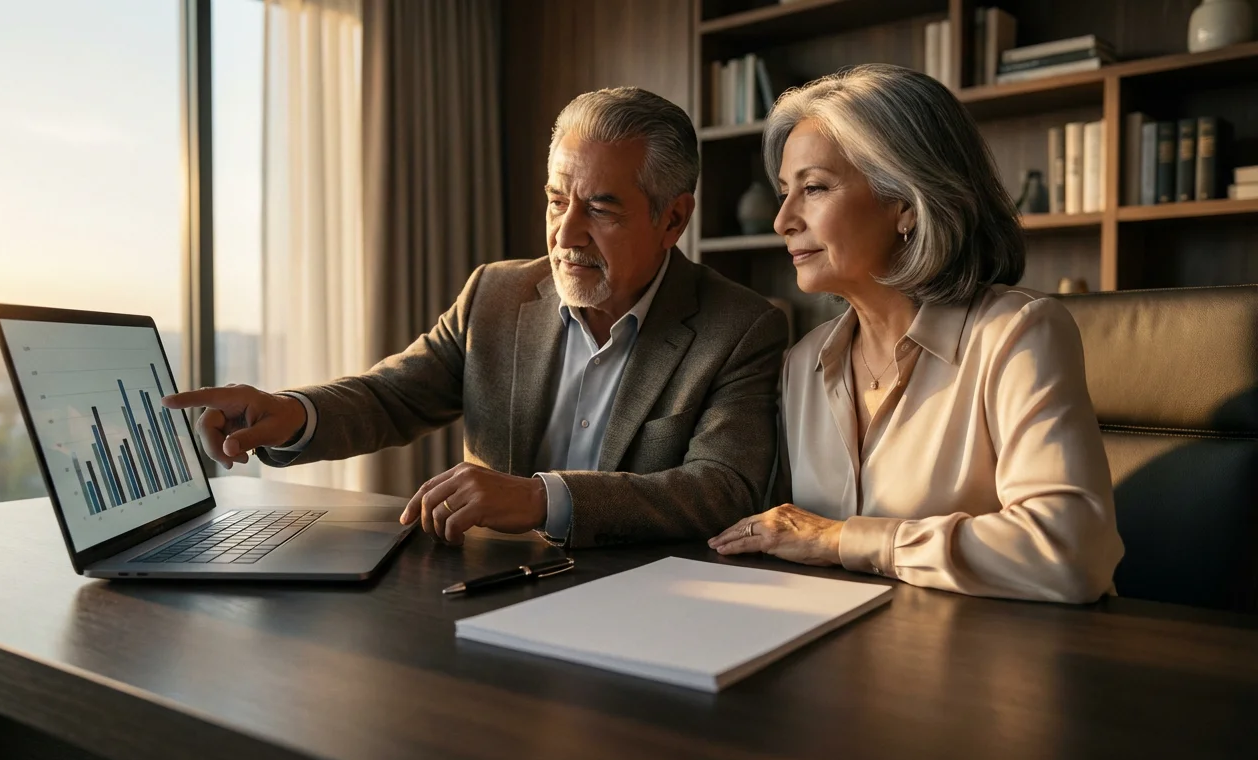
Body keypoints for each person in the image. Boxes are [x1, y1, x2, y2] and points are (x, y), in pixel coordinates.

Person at [166, 87, 788, 548]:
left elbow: (721, 489)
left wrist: (543, 498)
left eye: (600, 208)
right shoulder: (495, 293)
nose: (565, 233)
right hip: (488, 585)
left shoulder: (742, 327)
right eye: (554, 201)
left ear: (673, 219)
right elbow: (391, 397)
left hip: (647, 608)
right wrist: (295, 414)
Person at [708, 64, 1125, 603]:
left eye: (813, 188)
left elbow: (1070, 551)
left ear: (905, 202)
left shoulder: (1018, 335)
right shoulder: (803, 363)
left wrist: (843, 540)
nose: (782, 219)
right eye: (784, 191)